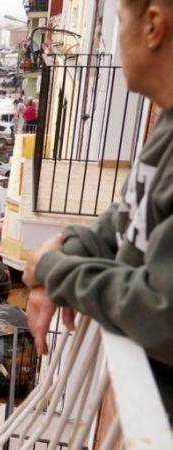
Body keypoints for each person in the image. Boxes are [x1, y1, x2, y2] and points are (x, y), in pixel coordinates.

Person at [23, 0, 173, 412]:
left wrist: (53, 270)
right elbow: (130, 212)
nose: (114, 36)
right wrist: (68, 250)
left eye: (121, 20)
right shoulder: (167, 125)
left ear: (153, 27)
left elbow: (164, 311)